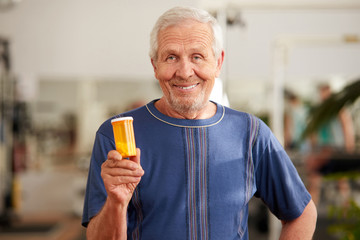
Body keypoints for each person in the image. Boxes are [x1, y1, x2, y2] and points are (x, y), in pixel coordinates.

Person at [82, 6, 317, 240]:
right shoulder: (116, 135)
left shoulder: (251, 133)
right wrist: (116, 203)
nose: (185, 72)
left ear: (218, 62)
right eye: (171, 57)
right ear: (155, 65)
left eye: (197, 56)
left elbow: (302, 213)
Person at [306, 83, 355, 205]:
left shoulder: (338, 108)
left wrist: (349, 148)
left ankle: (347, 210)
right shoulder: (320, 110)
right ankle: (311, 210)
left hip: (337, 148)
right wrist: (313, 148)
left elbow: (346, 127)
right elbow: (314, 131)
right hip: (323, 148)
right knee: (315, 179)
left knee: (341, 181)